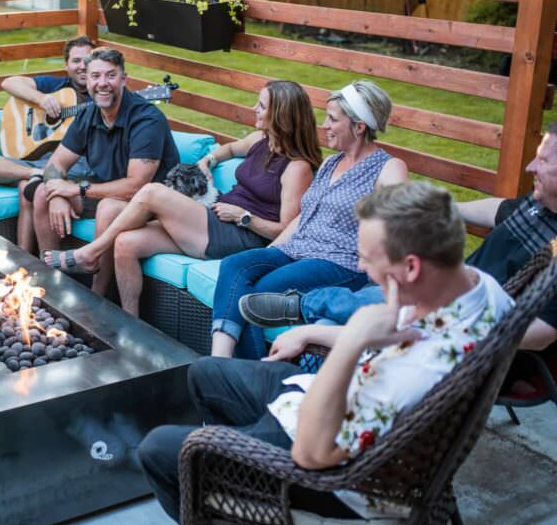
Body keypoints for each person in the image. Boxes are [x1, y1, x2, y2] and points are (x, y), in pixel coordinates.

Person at [138, 181, 513, 525]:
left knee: (160, 450)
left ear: (411, 266)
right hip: (330, 406)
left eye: (368, 258)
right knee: (207, 373)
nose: (362, 268)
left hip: (335, 474)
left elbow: (310, 456)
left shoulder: (412, 377)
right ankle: (234, 493)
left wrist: (350, 342)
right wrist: (312, 331)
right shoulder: (476, 289)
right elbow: (388, 334)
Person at [240, 122, 557, 364]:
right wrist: (439, 205)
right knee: (371, 298)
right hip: (450, 292)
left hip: (469, 329)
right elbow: (498, 209)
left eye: (542, 161)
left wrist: (445, 324)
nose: (531, 167)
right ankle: (299, 363)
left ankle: (303, 309)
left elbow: (542, 334)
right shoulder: (539, 205)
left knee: (366, 312)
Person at [42, 80, 322, 316]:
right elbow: (229, 149)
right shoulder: (260, 139)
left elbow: (286, 231)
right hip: (214, 216)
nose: (254, 109)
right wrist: (207, 161)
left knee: (152, 192)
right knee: (126, 243)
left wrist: (244, 218)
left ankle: (90, 253)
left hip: (238, 235)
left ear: (281, 114)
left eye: (261, 106)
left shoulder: (297, 168)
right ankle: (130, 324)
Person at [208, 79, 408, 359]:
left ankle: (244, 368)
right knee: (236, 265)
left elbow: (401, 216)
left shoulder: (388, 168)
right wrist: (268, 252)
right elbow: (303, 216)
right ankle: (220, 359)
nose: (324, 125)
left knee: (259, 292)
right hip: (296, 249)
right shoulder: (331, 163)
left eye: (332, 119)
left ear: (359, 126)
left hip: (338, 262)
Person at [36, 47, 180, 297]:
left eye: (111, 76)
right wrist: (58, 195)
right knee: (41, 193)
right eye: (95, 76)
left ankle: (97, 298)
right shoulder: (88, 114)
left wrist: (77, 188)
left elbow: (137, 186)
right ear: (87, 81)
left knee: (108, 207)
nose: (102, 84)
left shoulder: (147, 119)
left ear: (124, 80)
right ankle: (52, 288)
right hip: (109, 190)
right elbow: (54, 166)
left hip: (153, 205)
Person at [0, 36, 97, 252]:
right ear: (66, 65)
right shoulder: (56, 85)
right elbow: (9, 83)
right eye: (76, 61)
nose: (82, 66)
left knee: (25, 188)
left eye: (88, 60)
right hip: (39, 162)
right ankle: (37, 173)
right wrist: (41, 99)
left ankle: (24, 259)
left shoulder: (102, 94)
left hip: (75, 165)